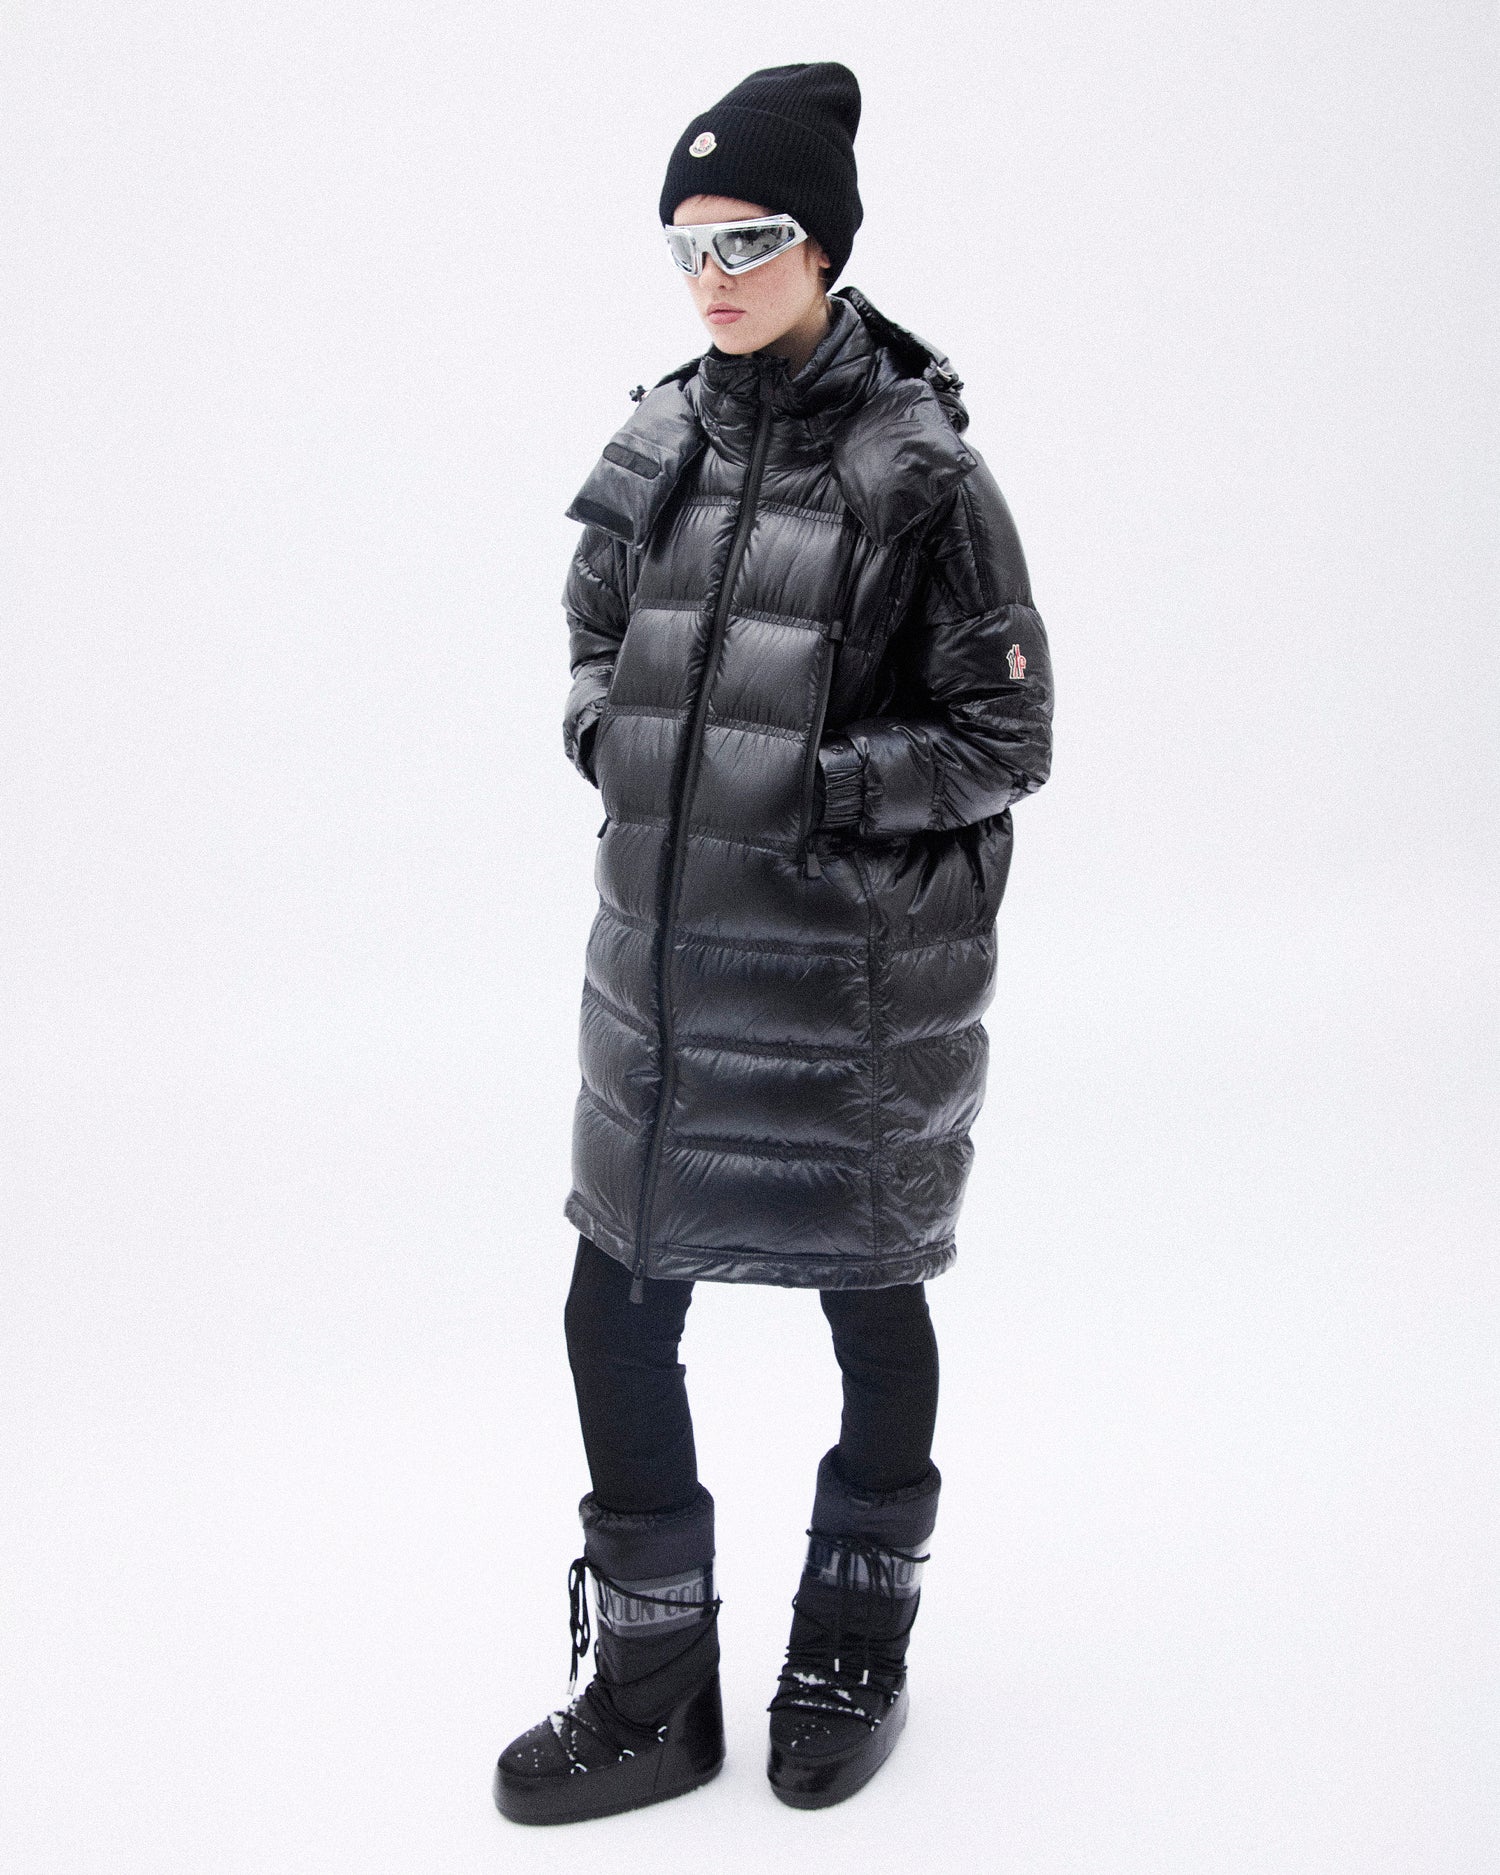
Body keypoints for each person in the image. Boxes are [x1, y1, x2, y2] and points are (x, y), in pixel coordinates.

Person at [493, 61, 1054, 1825]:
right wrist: (615, 737)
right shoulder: (658, 438)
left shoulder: (921, 473)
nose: (715, 276)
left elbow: (1006, 737)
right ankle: (654, 1690)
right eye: (689, 245)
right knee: (611, 1308)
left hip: (844, 992)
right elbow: (593, 642)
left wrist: (809, 791)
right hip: (659, 989)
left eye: (749, 239)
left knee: (869, 1305)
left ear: (826, 245)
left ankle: (850, 1649)